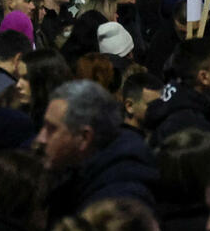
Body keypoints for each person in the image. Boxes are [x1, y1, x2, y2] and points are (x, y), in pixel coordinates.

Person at [36, 80, 158, 225]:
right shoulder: (74, 171)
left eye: (52, 129)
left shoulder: (118, 205)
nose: (41, 138)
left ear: (84, 137)